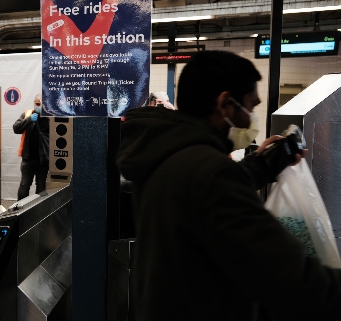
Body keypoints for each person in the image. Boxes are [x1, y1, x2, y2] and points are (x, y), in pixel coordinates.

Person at [117, 51, 341, 321]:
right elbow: (287, 277)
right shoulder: (210, 172)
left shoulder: (163, 155)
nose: (251, 118)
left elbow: (199, 202)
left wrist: (262, 166)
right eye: (250, 106)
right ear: (225, 104)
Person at [13, 94, 49, 200]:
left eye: (42, 104)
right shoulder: (27, 114)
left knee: (41, 186)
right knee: (24, 185)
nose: (39, 106)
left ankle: (39, 210)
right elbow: (16, 128)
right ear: (34, 103)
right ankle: (19, 211)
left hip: (43, 159)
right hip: (28, 158)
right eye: (37, 104)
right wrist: (28, 120)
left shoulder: (50, 117)